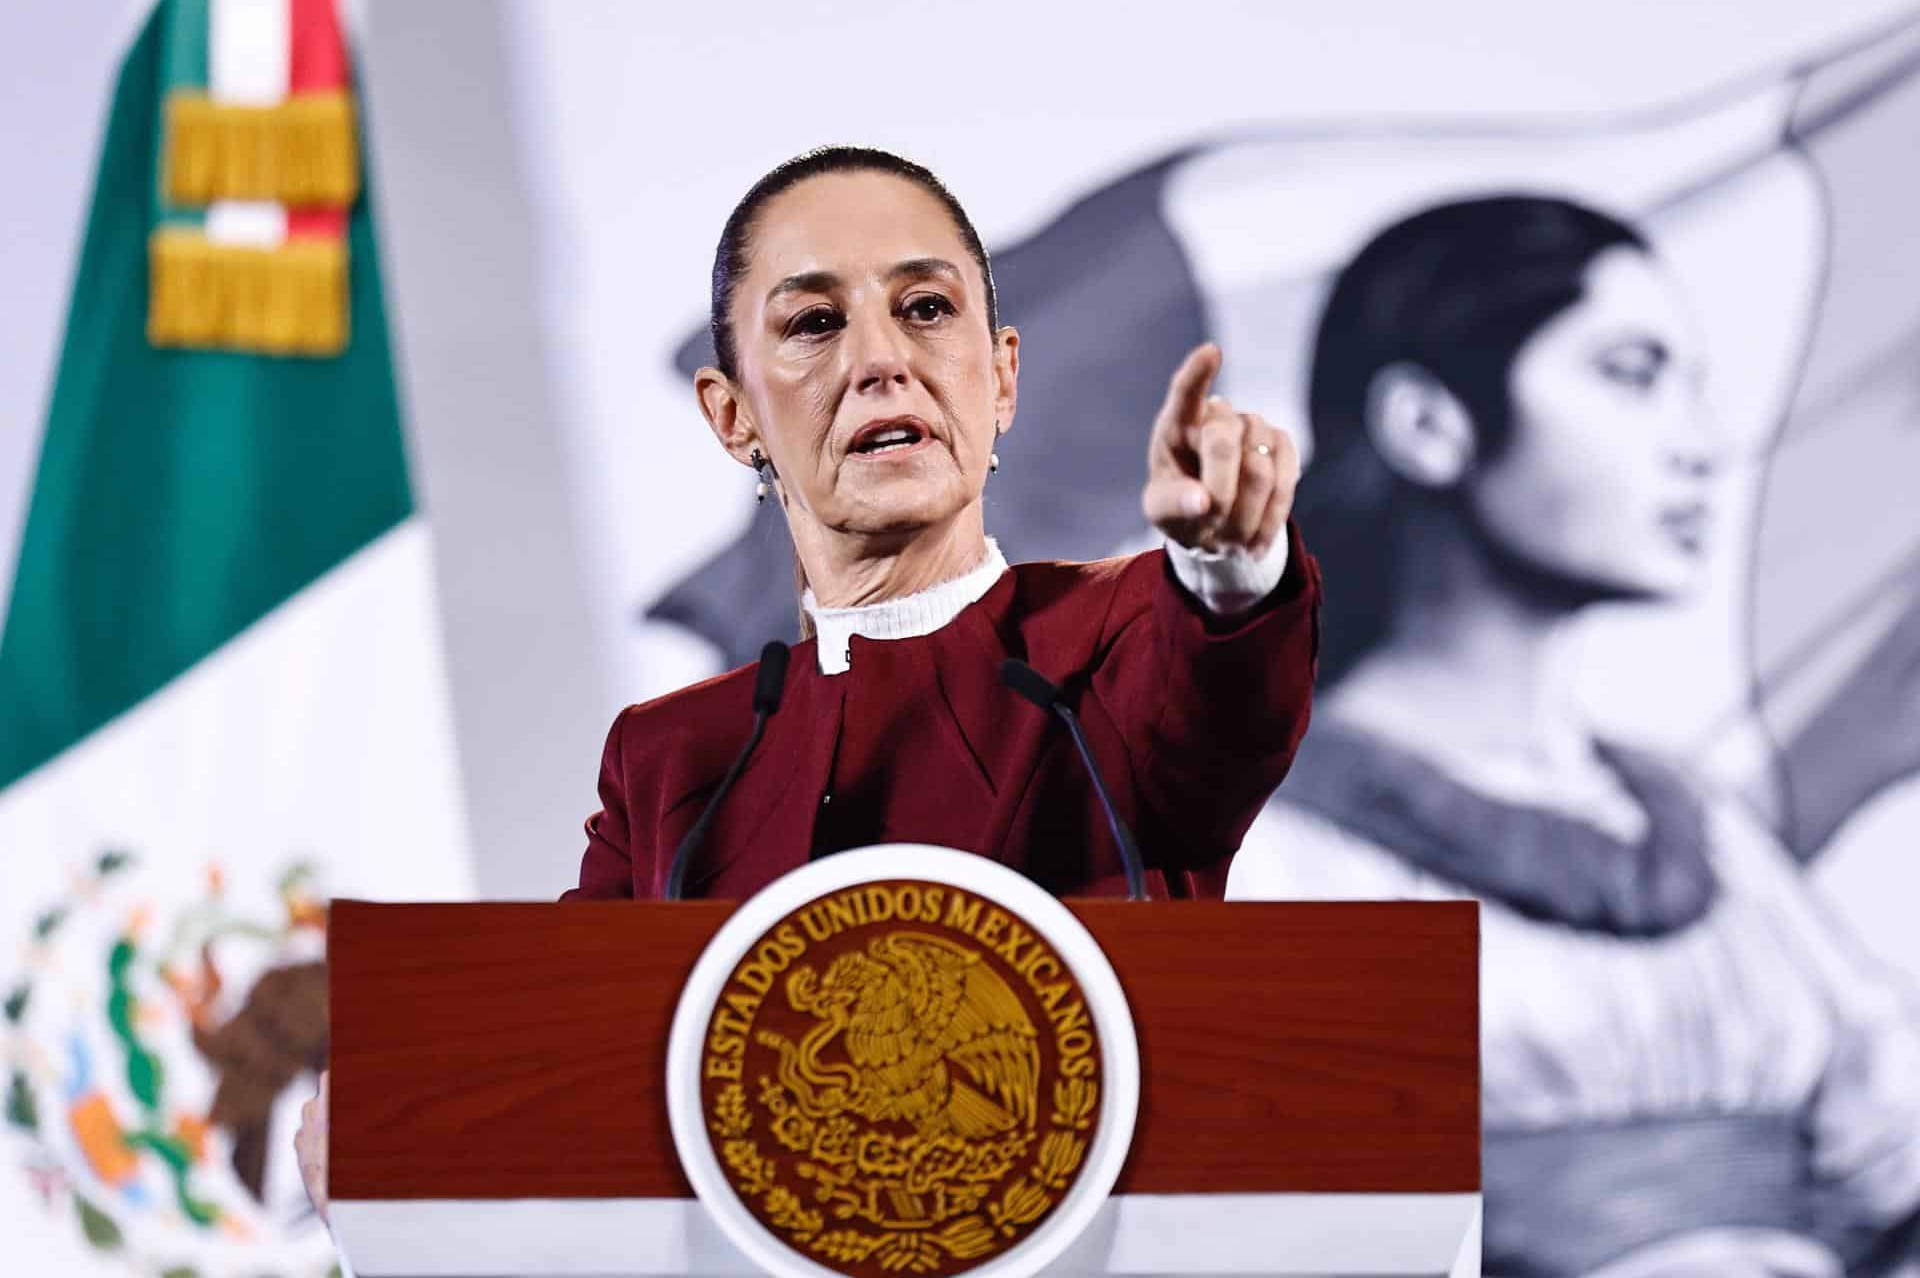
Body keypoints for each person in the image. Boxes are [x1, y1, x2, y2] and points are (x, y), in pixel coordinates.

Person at [295, 145, 1323, 1221]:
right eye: (815, 323)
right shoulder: (670, 758)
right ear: (733, 416)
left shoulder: (1118, 638)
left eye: (926, 308)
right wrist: (401, 1131)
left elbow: (1223, 694)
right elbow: (570, 1060)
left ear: (1004, 374)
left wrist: (1226, 567)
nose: (882, 360)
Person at [1227, 195, 1920, 1277]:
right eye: (1632, 374)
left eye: (1693, 386)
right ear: (1428, 423)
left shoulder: (1708, 837)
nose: (1699, 443)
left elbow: (1888, 1163)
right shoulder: (1271, 846)